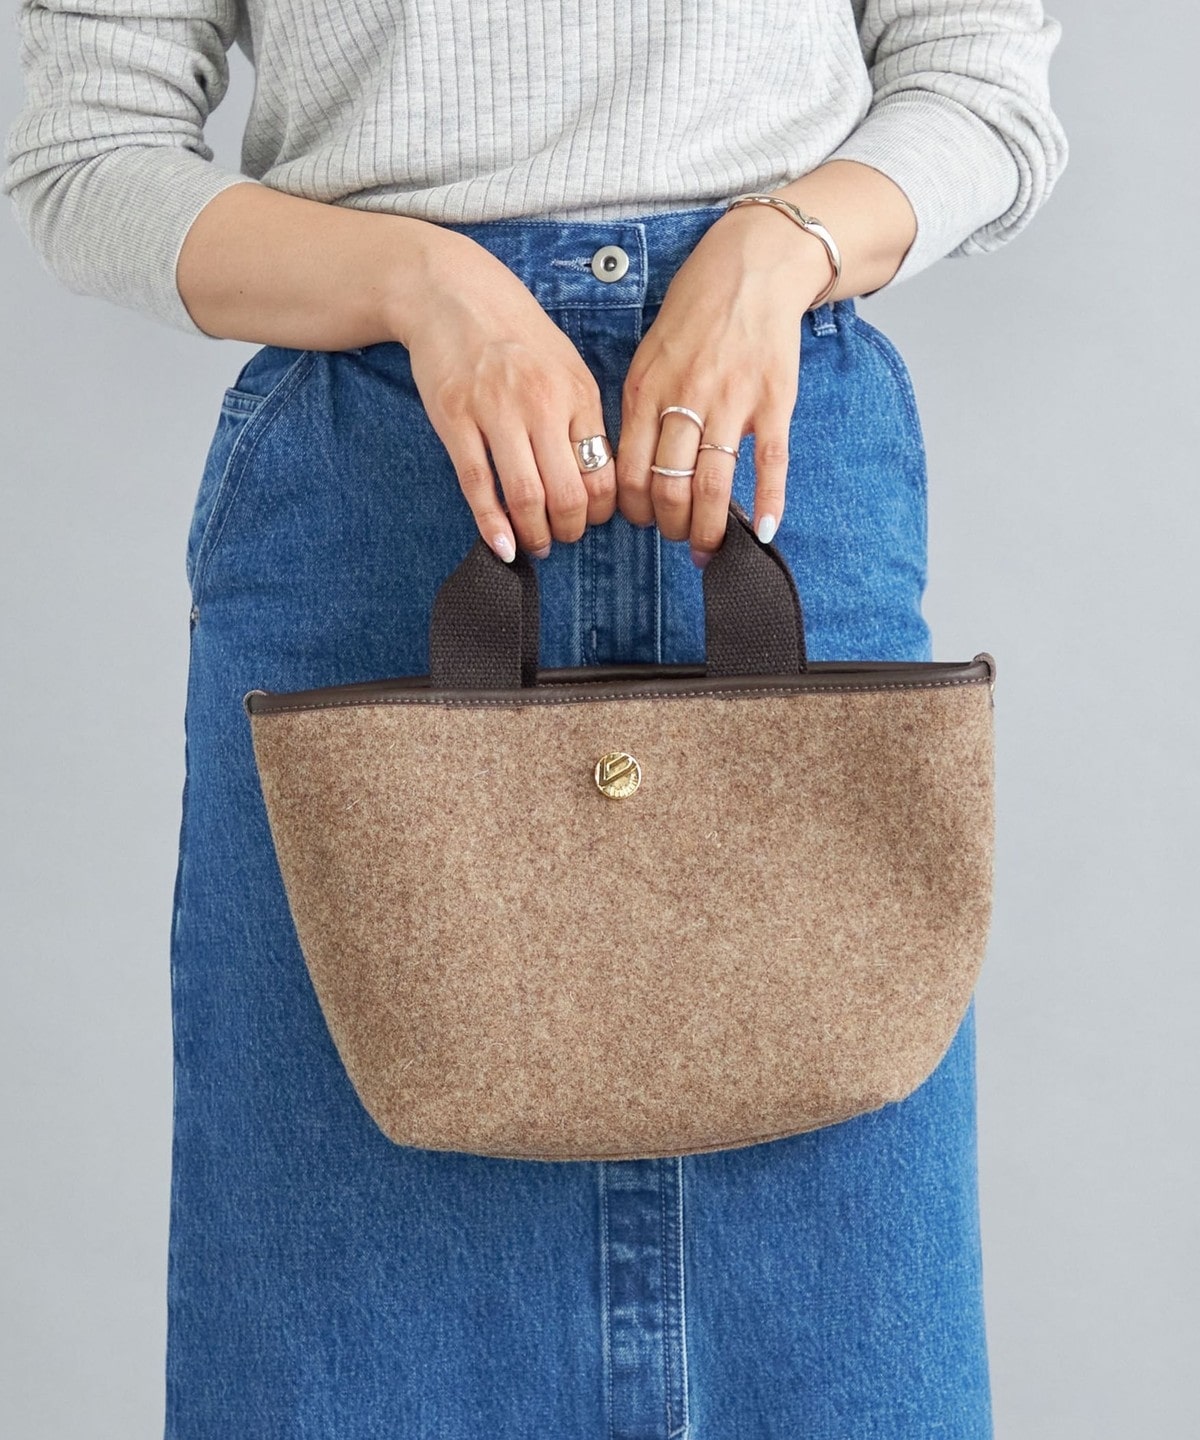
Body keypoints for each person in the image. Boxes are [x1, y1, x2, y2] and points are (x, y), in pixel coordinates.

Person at [3, 1, 1069, 1434]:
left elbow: (981, 84)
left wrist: (780, 249)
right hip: (381, 492)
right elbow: (86, 152)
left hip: (769, 454)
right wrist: (420, 281)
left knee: (837, 1354)